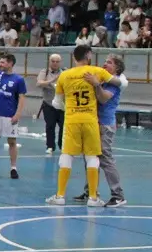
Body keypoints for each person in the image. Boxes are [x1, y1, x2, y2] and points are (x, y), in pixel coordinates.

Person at [47, 45, 112, 207]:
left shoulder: (64, 75)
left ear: (74, 57)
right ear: (88, 55)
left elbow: (56, 102)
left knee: (67, 155)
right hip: (90, 120)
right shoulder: (97, 71)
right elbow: (119, 82)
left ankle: (60, 196)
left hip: (71, 120)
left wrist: (67, 107)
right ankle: (93, 198)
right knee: (92, 157)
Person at [73, 54, 127, 207]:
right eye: (104, 61)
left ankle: (118, 195)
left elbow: (103, 99)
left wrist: (96, 85)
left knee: (105, 158)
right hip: (93, 123)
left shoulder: (113, 84)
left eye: (109, 62)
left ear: (116, 68)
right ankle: (90, 191)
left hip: (105, 125)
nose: (105, 64)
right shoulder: (103, 79)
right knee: (90, 158)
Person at [0, 53, 26, 180]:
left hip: (10, 115)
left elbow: (21, 98)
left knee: (12, 142)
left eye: (3, 62)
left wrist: (18, 114)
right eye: (0, 62)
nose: (0, 64)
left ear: (10, 63)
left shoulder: (18, 79)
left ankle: (13, 168)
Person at [36, 54, 64, 154]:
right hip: (49, 104)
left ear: (60, 62)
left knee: (64, 126)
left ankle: (62, 146)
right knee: (50, 126)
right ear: (49, 61)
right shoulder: (45, 72)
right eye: (53, 61)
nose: (55, 63)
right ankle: (50, 146)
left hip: (62, 106)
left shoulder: (64, 72)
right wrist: (53, 80)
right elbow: (39, 83)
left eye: (57, 61)